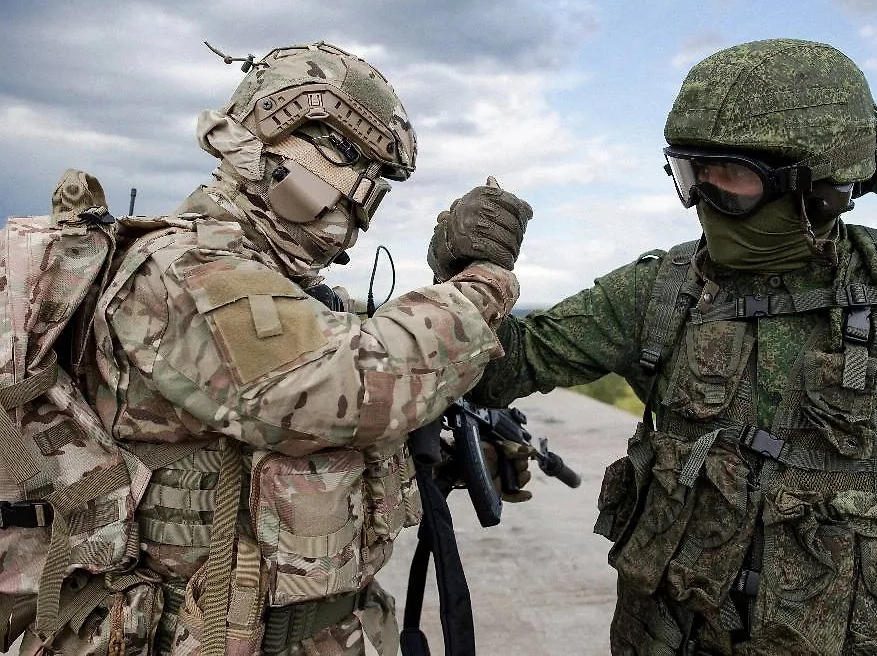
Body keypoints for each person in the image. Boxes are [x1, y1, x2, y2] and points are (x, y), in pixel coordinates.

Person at [459, 38, 877, 654]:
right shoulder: (659, 293)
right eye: (691, 174)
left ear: (820, 188)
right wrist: (469, 273)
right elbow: (497, 367)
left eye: (731, 177)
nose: (706, 200)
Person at [21, 41, 532, 655]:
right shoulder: (183, 269)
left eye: (374, 180)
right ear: (269, 132)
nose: (358, 197)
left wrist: (445, 455)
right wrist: (480, 285)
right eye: (344, 154)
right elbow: (340, 390)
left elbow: (293, 450)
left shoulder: (282, 286)